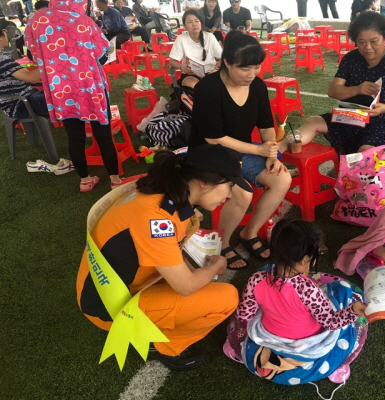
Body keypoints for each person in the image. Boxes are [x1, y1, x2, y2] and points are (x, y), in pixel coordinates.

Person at [76, 145, 246, 371]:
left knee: (201, 283)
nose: (230, 195)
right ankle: (161, 345)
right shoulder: (157, 218)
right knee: (225, 298)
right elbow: (186, 286)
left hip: (120, 286)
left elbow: (172, 246)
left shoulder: (163, 193)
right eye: (230, 186)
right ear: (204, 183)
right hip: (110, 306)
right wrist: (217, 265)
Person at [189, 30, 292, 270]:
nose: (251, 74)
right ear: (226, 62)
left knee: (282, 178)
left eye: (256, 67)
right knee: (243, 194)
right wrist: (259, 152)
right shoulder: (208, 88)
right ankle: (222, 243)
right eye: (244, 68)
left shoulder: (257, 86)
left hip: (242, 151)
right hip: (208, 153)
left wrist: (271, 154)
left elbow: (266, 126)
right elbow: (213, 138)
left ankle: (249, 232)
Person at [223, 219, 368, 384]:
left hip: (270, 336)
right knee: (342, 291)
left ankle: (236, 348)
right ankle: (337, 365)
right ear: (304, 259)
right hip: (308, 344)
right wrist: (353, 311)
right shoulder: (308, 289)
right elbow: (330, 322)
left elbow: (245, 314)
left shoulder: (256, 279)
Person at [25, 0, 122, 192]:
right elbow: (103, 55)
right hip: (90, 86)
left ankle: (85, 180)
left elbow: (32, 54)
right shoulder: (83, 21)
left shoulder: (36, 21)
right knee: (103, 134)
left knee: (75, 137)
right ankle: (115, 181)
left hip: (61, 89)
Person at [295, 12, 385, 156]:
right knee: (312, 122)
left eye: (374, 41)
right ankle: (277, 152)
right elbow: (333, 91)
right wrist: (357, 89)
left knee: (365, 152)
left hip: (384, 118)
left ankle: (354, 165)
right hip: (352, 115)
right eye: (361, 42)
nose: (368, 47)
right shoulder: (351, 58)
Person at [0, 20, 48, 119]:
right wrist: (50, 62)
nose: (7, 34)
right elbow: (31, 78)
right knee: (67, 101)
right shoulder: (2, 59)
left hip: (25, 98)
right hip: (21, 104)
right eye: (5, 31)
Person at [169, 10, 222, 89]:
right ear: (185, 26)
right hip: (191, 74)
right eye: (189, 22)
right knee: (195, 86)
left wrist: (216, 68)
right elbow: (172, 61)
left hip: (210, 73)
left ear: (201, 23)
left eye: (196, 21)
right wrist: (181, 67)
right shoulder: (181, 39)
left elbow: (222, 57)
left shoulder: (210, 37)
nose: (194, 24)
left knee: (215, 87)